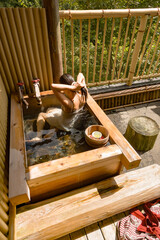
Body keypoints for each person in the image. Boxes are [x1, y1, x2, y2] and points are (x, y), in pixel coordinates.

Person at [33, 73, 88, 140]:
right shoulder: (83, 93)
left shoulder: (69, 103)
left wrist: (73, 87)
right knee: (50, 110)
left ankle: (38, 137)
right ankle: (53, 130)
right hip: (72, 121)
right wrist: (78, 84)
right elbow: (80, 74)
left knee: (41, 115)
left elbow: (53, 86)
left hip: (63, 124)